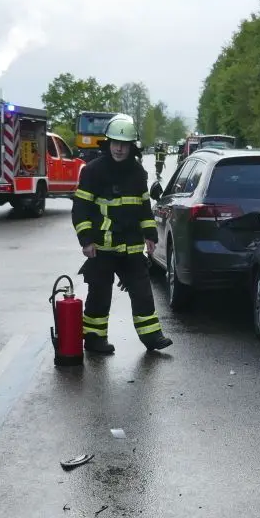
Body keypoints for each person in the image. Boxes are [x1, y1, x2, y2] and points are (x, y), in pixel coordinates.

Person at [70, 113, 172, 354]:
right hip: (102, 247)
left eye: (123, 145)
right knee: (99, 295)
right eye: (115, 143)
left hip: (131, 246)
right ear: (108, 144)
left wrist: (150, 235)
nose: (118, 149)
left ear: (130, 146)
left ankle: (152, 337)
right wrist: (86, 240)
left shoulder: (138, 173)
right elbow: (81, 208)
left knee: (143, 293)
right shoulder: (93, 171)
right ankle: (94, 339)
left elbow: (144, 207)